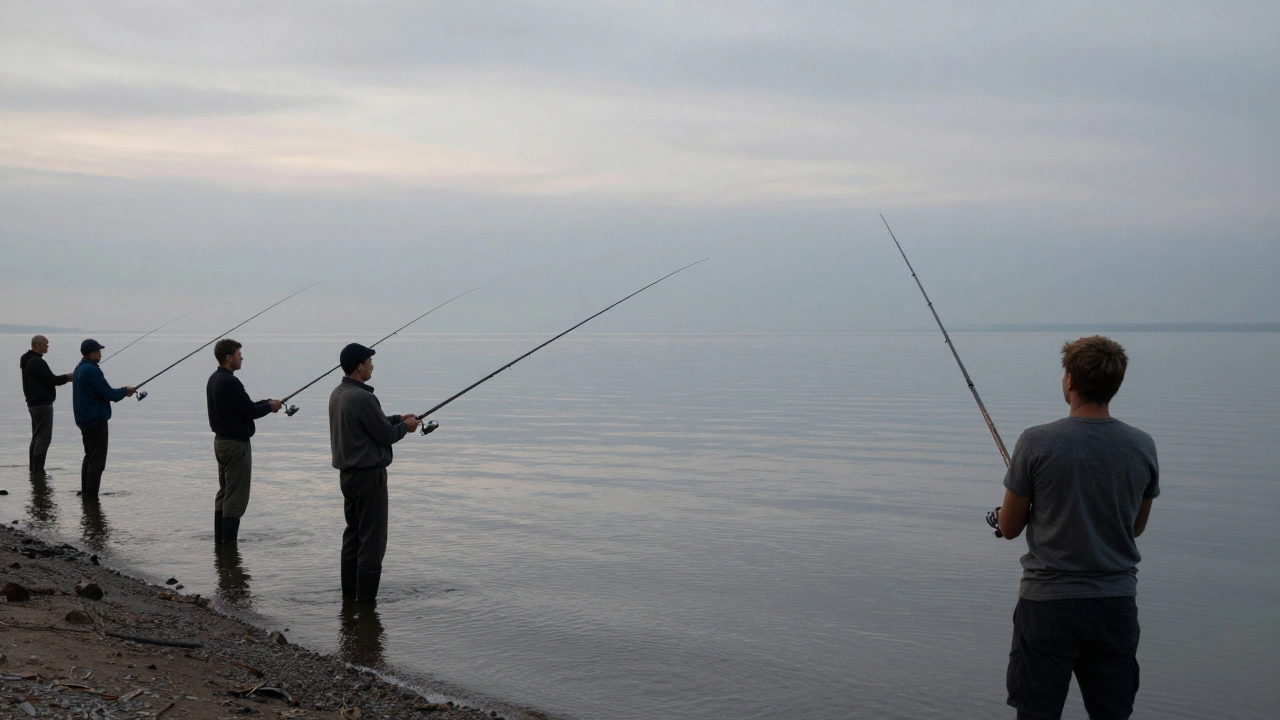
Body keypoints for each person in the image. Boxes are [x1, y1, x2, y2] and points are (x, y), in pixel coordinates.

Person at [993, 336, 1159, 720]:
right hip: (1114, 605)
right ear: (1114, 386)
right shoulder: (1142, 446)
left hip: (1048, 607)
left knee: (1037, 713)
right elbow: (1135, 527)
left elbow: (1010, 526)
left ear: (1069, 381)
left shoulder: (1036, 442)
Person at [328, 343, 419, 603]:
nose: (372, 365)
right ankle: (366, 606)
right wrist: (406, 428)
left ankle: (349, 599)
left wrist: (398, 418)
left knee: (354, 536)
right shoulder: (364, 397)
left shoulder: (338, 394)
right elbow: (386, 435)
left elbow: (370, 424)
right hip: (369, 478)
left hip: (348, 477)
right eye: (369, 361)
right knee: (373, 541)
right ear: (359, 366)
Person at [206, 338, 281, 546]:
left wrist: (267, 403)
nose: (242, 358)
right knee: (235, 497)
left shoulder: (214, 379)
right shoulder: (230, 381)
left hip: (220, 443)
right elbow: (250, 411)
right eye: (239, 354)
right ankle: (230, 548)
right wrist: (270, 407)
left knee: (224, 493)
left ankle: (220, 545)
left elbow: (243, 407)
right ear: (229, 357)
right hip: (236, 446)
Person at [71, 339, 136, 498]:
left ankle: (86, 493)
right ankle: (91, 497)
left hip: (84, 420)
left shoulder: (79, 368)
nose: (101, 354)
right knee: (97, 462)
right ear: (93, 353)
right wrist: (125, 390)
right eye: (99, 351)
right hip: (95, 421)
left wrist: (121, 392)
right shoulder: (91, 370)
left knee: (89, 457)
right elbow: (108, 394)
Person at [20, 335, 73, 476]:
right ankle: (38, 469)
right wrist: (68, 377)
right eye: (46, 345)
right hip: (42, 405)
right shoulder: (37, 362)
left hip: (33, 404)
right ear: (37, 345)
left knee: (36, 437)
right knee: (43, 437)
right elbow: (52, 380)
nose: (47, 347)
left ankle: (33, 468)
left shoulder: (26, 360)